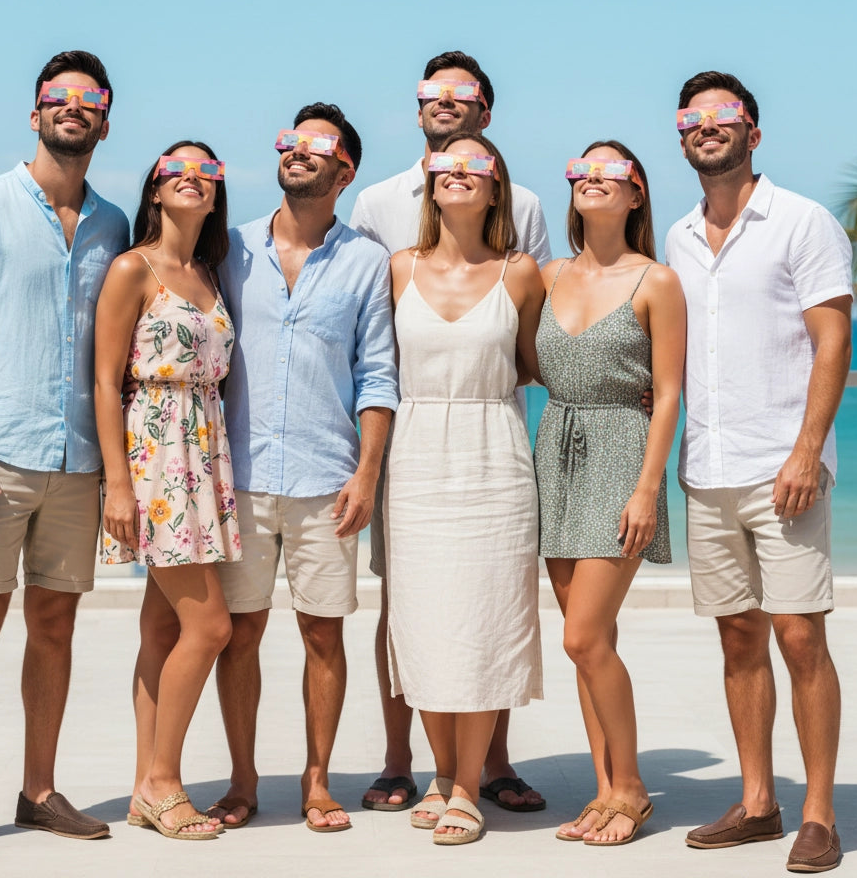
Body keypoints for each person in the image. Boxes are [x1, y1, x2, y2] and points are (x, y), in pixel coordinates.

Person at [0, 50, 128, 856]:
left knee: (54, 622)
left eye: (88, 100)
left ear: (105, 121)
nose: (72, 108)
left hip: (78, 462)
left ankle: (39, 789)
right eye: (58, 97)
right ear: (35, 112)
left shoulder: (115, 223)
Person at [350, 50, 551, 813]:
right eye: (430, 93)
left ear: (486, 115)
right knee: (410, 606)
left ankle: (488, 766)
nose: (444, 103)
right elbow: (369, 339)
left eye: (461, 95)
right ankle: (408, 762)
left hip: (490, 442)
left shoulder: (524, 213)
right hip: (412, 446)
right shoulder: (376, 208)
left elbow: (535, 347)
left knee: (491, 607)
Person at [666, 71, 852, 873]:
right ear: (682, 136)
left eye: (724, 116)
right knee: (738, 638)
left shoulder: (802, 222)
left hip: (785, 469)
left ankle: (818, 813)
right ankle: (756, 802)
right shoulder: (675, 236)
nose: (707, 127)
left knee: (799, 635)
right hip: (707, 470)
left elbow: (833, 341)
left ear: (753, 132)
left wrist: (808, 449)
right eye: (692, 118)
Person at [211, 103, 398, 834]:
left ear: (345, 170)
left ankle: (317, 781)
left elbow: (377, 374)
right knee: (240, 633)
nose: (299, 152)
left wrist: (368, 474)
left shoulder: (366, 261)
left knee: (325, 634)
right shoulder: (229, 249)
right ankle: (243, 779)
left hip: (328, 479)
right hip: (241, 476)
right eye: (291, 141)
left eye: (318, 146)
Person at [385, 132, 545, 845]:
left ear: (495, 187)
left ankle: (468, 786)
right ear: (429, 182)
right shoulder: (397, 268)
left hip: (493, 456)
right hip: (416, 457)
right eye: (443, 166)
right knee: (424, 622)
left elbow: (539, 363)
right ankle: (442, 774)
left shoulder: (521, 273)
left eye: (474, 166)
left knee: (483, 622)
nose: (457, 174)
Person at [536, 142, 685, 845]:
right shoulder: (545, 275)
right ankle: (604, 789)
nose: (592, 179)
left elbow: (671, 393)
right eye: (581, 171)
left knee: (583, 635)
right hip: (553, 456)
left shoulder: (657, 280)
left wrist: (647, 489)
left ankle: (630, 790)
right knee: (589, 645)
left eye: (611, 173)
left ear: (636, 196)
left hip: (622, 454)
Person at [94, 140, 240, 840]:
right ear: (154, 188)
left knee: (161, 626)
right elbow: (103, 380)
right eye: (177, 169)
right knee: (210, 627)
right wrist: (117, 485)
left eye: (206, 171)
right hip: (156, 450)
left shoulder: (209, 273)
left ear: (216, 194)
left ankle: (140, 788)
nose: (192, 177)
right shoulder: (133, 268)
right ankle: (163, 781)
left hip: (204, 451)